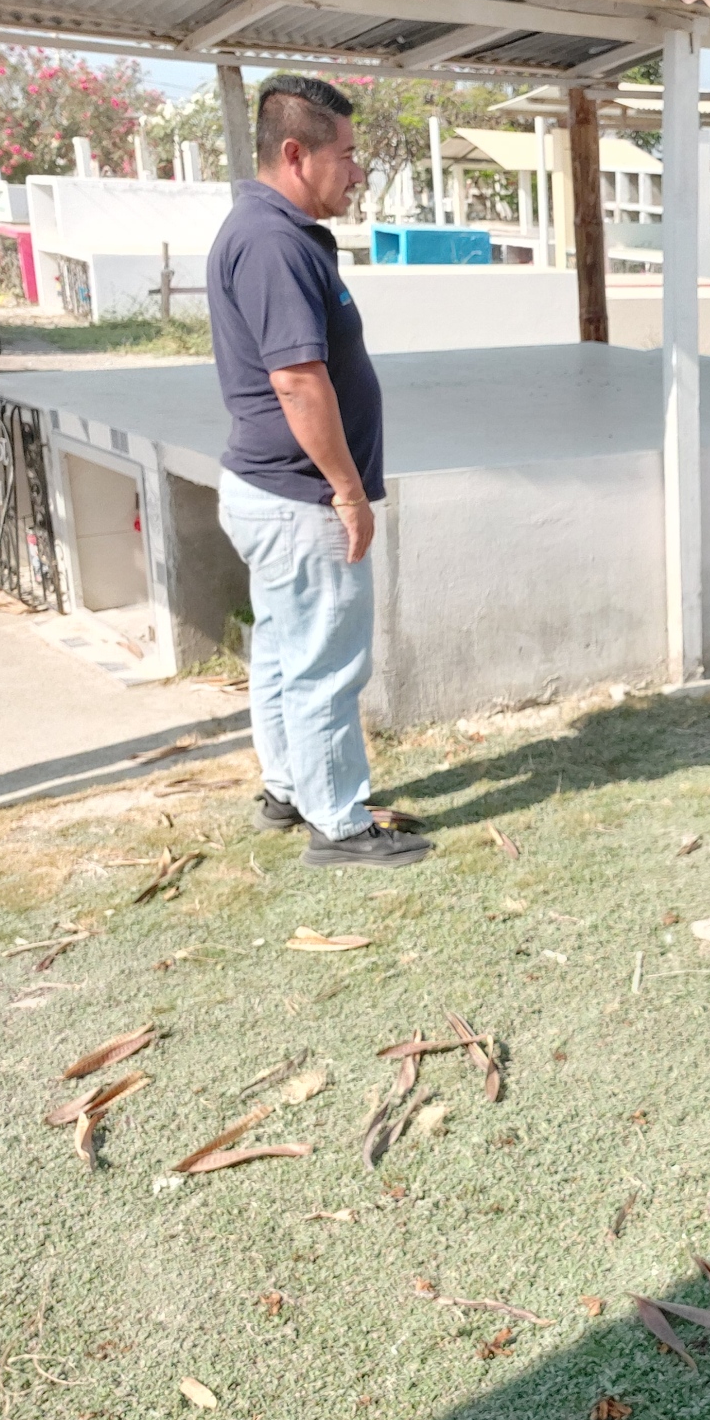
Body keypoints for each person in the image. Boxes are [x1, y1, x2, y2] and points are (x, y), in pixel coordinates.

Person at [210, 75, 430, 869]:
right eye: (348, 155)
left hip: (271, 490)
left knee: (282, 650)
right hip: (302, 499)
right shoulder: (273, 243)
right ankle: (336, 823)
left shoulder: (271, 231)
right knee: (325, 664)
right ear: (296, 154)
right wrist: (347, 490)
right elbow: (298, 382)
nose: (359, 172)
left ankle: (289, 789)